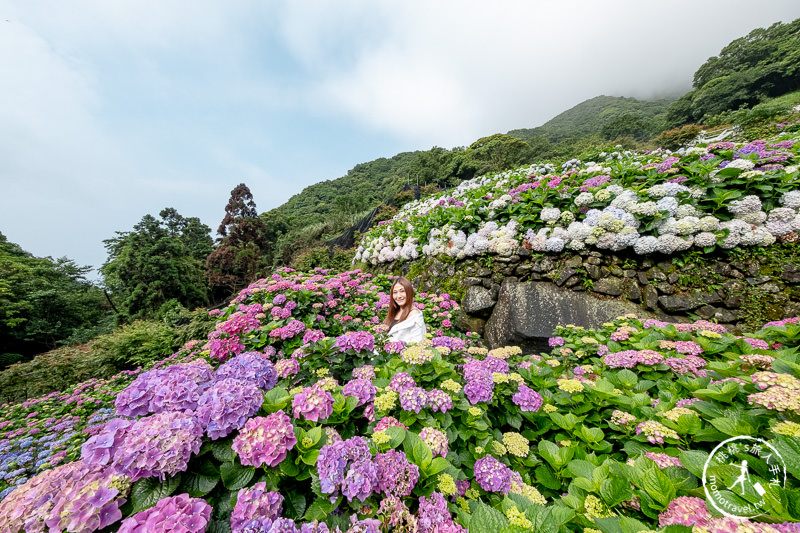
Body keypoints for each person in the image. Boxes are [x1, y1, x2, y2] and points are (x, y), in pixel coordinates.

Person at [383, 277, 426, 343]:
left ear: (409, 292)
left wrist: (392, 342)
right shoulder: (394, 312)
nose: (398, 296)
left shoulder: (415, 316)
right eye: (395, 292)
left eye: (402, 291)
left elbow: (418, 342)